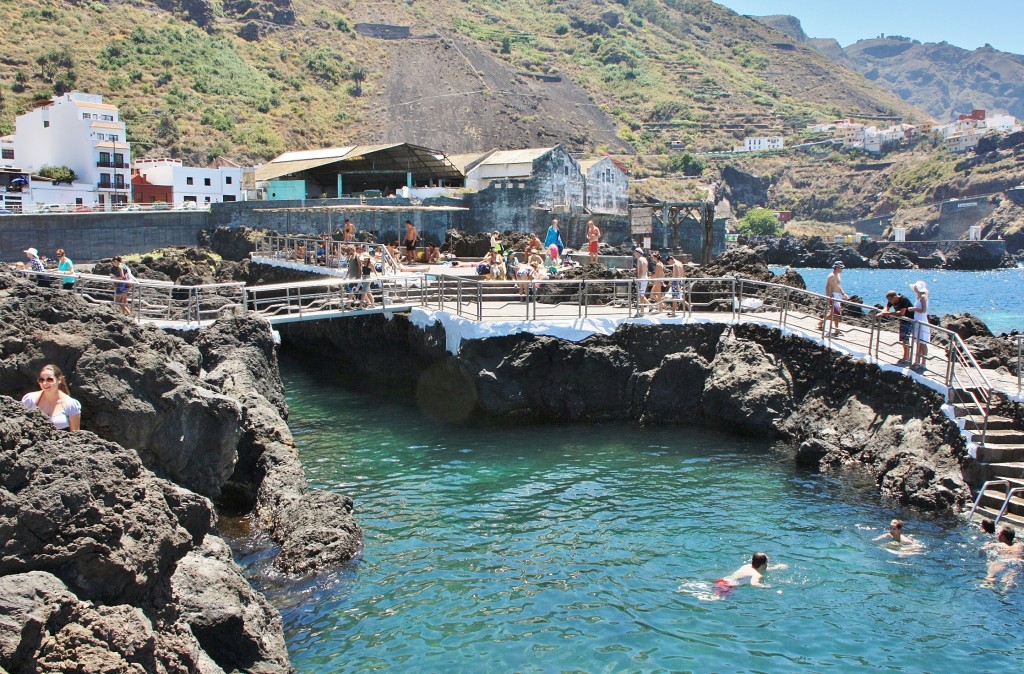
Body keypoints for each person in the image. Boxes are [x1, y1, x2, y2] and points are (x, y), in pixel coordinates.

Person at [21, 363, 81, 431]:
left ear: (59, 380)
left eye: (49, 380)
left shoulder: (71, 405)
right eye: (41, 380)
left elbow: (75, 434)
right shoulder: (30, 399)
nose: (45, 383)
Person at [816, 261, 848, 336]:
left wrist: (844, 294)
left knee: (834, 313)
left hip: (838, 296)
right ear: (836, 268)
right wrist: (829, 298)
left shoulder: (838, 275)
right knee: (836, 313)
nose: (842, 269)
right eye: (841, 267)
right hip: (833, 296)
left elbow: (838, 286)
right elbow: (827, 287)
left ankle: (821, 323)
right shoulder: (831, 276)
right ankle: (836, 329)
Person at [883, 289, 914, 364]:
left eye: (890, 300)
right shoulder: (891, 300)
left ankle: (907, 357)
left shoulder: (904, 300)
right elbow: (887, 307)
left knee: (905, 339)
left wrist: (888, 314)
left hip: (909, 320)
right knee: (903, 339)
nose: (890, 301)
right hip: (902, 321)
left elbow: (901, 313)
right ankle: (906, 356)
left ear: (894, 297)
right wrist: (883, 312)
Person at [910, 280, 930, 372]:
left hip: (921, 320)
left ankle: (922, 362)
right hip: (918, 320)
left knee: (922, 342)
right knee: (919, 341)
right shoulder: (920, 297)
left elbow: (923, 310)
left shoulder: (922, 297)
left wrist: (913, 309)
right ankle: (918, 361)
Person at [633, 247, 650, 315]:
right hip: (645, 277)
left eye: (635, 252)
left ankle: (642, 311)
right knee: (642, 294)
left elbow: (640, 270)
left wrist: (639, 279)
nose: (634, 254)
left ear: (638, 253)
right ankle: (650, 306)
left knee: (641, 295)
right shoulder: (645, 259)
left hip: (642, 278)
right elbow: (646, 270)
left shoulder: (639, 259)